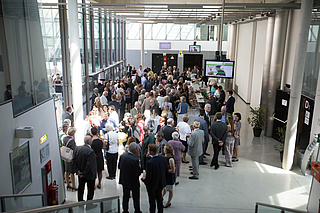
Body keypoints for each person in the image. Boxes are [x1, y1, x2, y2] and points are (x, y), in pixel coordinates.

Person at [142, 144, 168, 213]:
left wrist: (144, 180)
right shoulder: (164, 159)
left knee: (152, 201)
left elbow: (149, 176)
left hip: (152, 185)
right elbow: (166, 170)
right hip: (160, 183)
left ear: (151, 152)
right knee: (159, 199)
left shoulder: (150, 163)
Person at [118, 142, 142, 213]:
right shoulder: (134, 160)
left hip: (124, 179)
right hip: (133, 181)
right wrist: (140, 168)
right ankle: (137, 210)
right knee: (136, 196)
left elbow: (119, 167)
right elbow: (138, 173)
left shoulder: (122, 156)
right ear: (132, 149)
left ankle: (125, 210)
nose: (137, 151)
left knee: (125, 195)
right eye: (136, 149)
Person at [73, 136, 97, 202]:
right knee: (90, 189)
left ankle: (80, 201)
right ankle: (89, 203)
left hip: (80, 173)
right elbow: (89, 165)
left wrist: (77, 171)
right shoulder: (91, 151)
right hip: (89, 174)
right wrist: (83, 173)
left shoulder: (77, 148)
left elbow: (73, 161)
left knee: (81, 188)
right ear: (89, 141)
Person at [62, 127, 77, 191]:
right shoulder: (72, 140)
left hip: (65, 156)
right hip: (70, 157)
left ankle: (68, 184)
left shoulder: (64, 138)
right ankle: (73, 185)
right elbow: (74, 150)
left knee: (66, 170)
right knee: (72, 172)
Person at [162, 144, 175, 208]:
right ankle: (161, 197)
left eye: (164, 149)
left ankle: (168, 202)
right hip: (165, 176)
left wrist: (165, 171)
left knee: (169, 189)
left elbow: (173, 170)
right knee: (164, 188)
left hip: (169, 177)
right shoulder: (165, 157)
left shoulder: (171, 159)